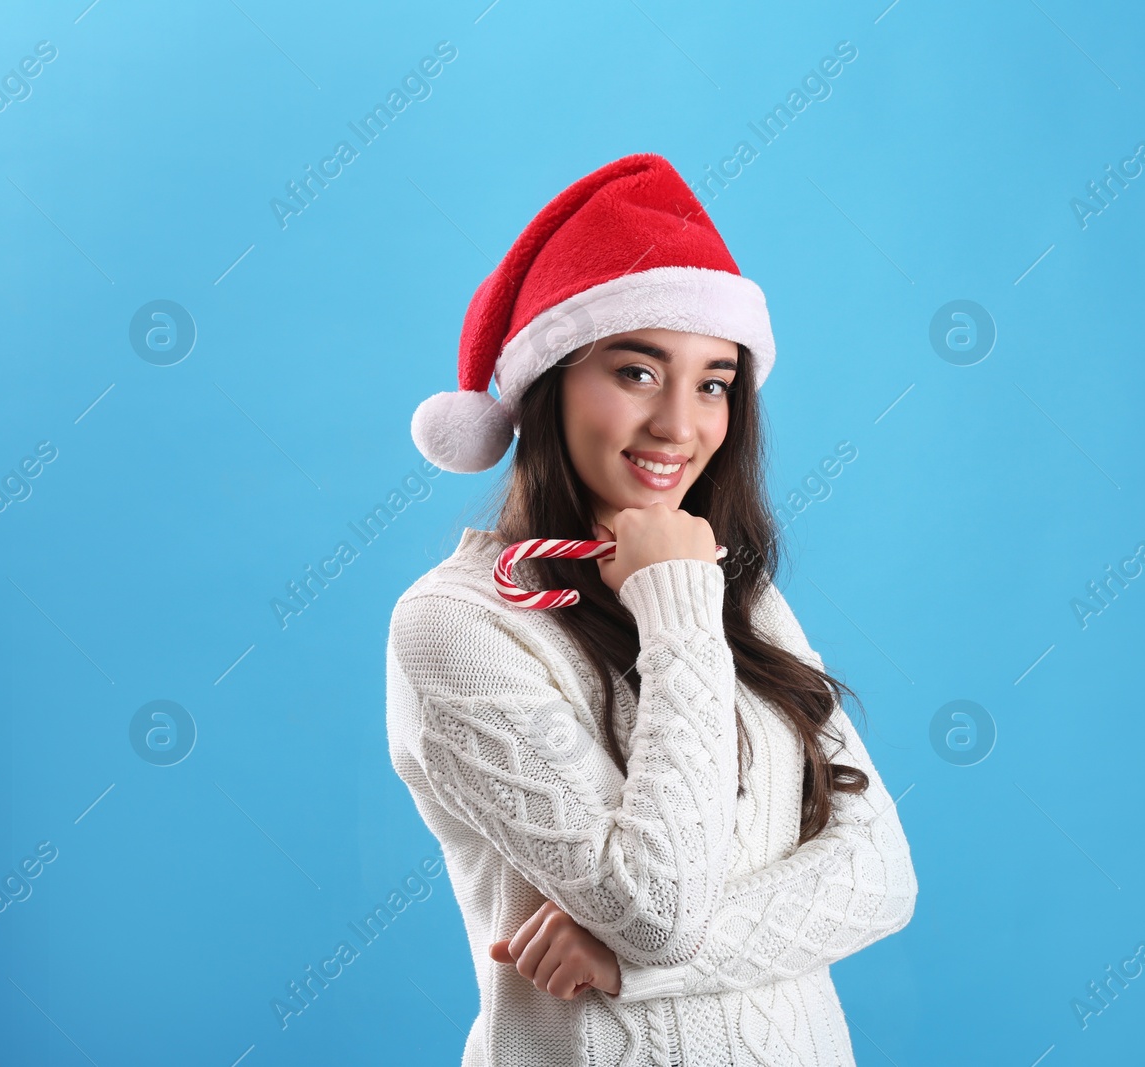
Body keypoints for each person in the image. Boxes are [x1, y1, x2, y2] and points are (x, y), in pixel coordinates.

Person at [386, 152, 918, 1067]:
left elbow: (878, 878)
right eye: (636, 372)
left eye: (714, 381)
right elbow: (656, 907)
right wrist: (675, 612)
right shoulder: (460, 625)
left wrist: (631, 968)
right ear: (550, 380)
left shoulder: (734, 585)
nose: (681, 423)